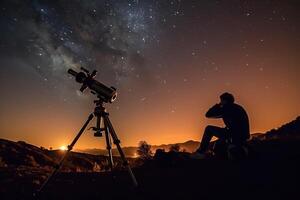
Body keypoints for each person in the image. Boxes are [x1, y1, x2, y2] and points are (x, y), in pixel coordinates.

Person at [191, 92, 250, 159]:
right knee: (219, 144)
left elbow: (208, 115)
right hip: (242, 136)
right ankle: (237, 149)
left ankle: (201, 152)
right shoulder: (237, 108)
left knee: (209, 129)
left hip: (234, 135)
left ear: (225, 100)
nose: (220, 102)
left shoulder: (227, 108)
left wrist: (218, 105)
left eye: (221, 100)